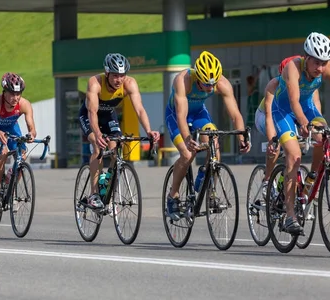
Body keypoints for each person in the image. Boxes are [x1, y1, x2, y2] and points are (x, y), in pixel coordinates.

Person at [271, 32, 330, 234]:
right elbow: (293, 101)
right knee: (295, 155)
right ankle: (289, 216)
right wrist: (305, 123)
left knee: (324, 140)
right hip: (284, 111)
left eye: (324, 63)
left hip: (307, 108)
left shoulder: (329, 68)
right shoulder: (293, 68)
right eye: (316, 62)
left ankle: (311, 180)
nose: (321, 68)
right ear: (306, 57)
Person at [164, 50, 251, 221]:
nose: (211, 88)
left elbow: (235, 115)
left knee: (215, 149)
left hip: (198, 115)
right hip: (176, 116)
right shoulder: (183, 80)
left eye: (213, 84)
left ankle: (210, 190)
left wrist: (242, 138)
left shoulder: (222, 83)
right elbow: (181, 116)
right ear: (198, 77)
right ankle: (172, 196)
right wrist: (188, 139)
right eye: (206, 85)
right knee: (188, 154)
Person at [79, 52, 160, 209]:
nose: (119, 80)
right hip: (89, 115)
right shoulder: (95, 83)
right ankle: (94, 194)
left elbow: (140, 110)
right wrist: (97, 134)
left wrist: (149, 130)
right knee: (98, 146)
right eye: (115, 75)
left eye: (122, 75)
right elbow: (92, 112)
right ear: (107, 73)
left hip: (109, 114)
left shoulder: (129, 83)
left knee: (116, 148)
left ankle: (107, 182)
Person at [254, 76, 321, 198]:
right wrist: (272, 140)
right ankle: (267, 180)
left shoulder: (311, 85)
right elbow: (269, 117)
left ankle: (286, 182)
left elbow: (315, 111)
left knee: (293, 148)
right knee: (278, 141)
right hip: (265, 115)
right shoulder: (275, 85)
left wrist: (314, 130)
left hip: (291, 114)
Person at [0, 72, 37, 210]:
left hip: (12, 130)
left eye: (18, 94)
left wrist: (31, 134)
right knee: (2, 154)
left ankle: (10, 185)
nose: (16, 97)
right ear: (4, 92)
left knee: (22, 156)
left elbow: (32, 128)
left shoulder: (24, 104)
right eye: (12, 93)